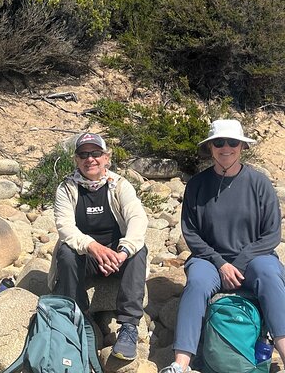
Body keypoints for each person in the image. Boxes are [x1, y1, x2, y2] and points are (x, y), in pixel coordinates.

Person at [160, 119, 285, 373]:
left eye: (233, 142)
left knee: (270, 274)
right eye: (219, 142)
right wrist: (221, 264)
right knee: (196, 282)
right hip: (209, 260)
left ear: (242, 147)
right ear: (210, 147)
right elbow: (191, 234)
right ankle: (181, 363)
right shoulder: (196, 184)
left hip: (254, 259)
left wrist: (238, 263)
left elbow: (271, 234)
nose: (226, 147)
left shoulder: (259, 184)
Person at [49, 132, 149, 361]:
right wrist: (93, 247)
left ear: (106, 158)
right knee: (66, 252)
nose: (90, 159)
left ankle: (129, 327)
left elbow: (137, 218)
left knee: (138, 250)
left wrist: (123, 252)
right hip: (88, 256)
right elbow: (65, 228)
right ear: (76, 160)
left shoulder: (120, 185)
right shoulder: (67, 189)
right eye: (83, 154)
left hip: (117, 255)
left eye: (96, 153)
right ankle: (78, 317)